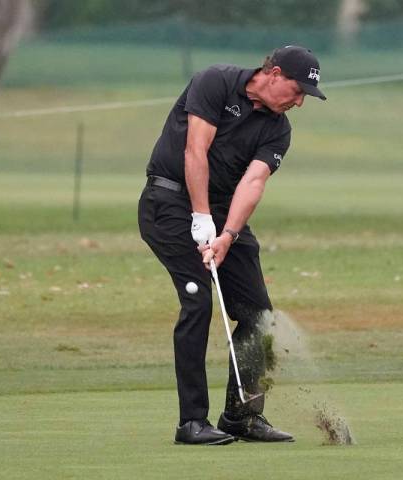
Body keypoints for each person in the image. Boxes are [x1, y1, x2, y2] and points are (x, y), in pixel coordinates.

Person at [138, 46, 326, 445]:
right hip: (168, 202)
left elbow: (252, 183)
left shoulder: (278, 129)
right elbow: (195, 150)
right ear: (273, 74)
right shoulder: (216, 82)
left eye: (304, 97)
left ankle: (241, 417)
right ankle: (191, 422)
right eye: (296, 91)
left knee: (258, 315)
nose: (298, 102)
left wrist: (227, 235)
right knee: (198, 301)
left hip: (223, 212)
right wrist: (201, 216)